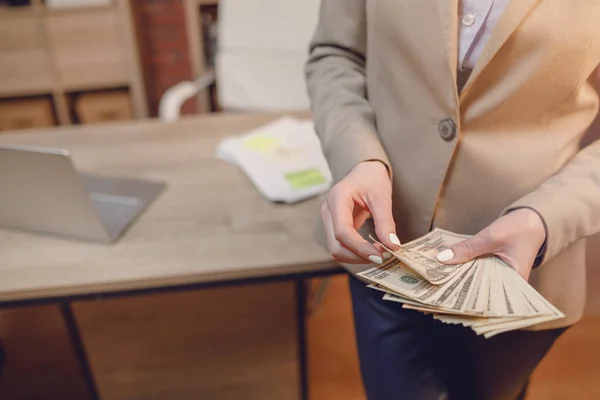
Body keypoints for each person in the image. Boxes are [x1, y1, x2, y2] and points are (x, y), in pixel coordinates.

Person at [304, 1, 600, 399]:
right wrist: (357, 155)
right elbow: (336, 54)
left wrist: (546, 217)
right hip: (386, 243)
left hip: (522, 269)